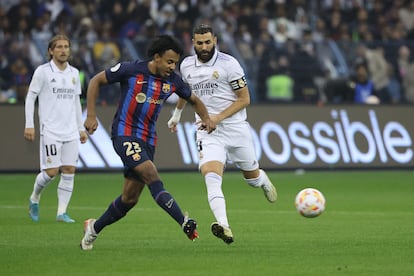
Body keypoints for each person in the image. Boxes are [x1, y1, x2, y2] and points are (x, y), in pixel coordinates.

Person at [80, 35, 216, 250]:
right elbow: (96, 81)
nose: (172, 67)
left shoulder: (173, 81)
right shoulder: (131, 69)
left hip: (148, 140)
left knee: (129, 199)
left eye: (176, 63)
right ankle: (183, 221)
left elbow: (194, 100)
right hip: (124, 134)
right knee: (151, 174)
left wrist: (207, 119)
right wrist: (91, 115)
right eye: (169, 62)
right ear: (156, 57)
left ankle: (93, 228)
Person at [167, 24, 277, 245]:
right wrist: (177, 115)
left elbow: (244, 99)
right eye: (200, 43)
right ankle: (224, 225)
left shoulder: (230, 64)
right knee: (211, 177)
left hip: (236, 129)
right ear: (193, 43)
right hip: (207, 131)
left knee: (252, 179)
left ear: (215, 40)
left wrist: (217, 118)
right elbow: (186, 92)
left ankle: (262, 180)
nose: (204, 47)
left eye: (208, 42)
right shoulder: (187, 65)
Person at [24, 34, 88, 223]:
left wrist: (80, 128)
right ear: (51, 51)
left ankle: (61, 213)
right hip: (50, 129)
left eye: (66, 47)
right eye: (58, 47)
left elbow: (76, 101)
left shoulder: (74, 73)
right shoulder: (43, 72)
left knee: (69, 169)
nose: (63, 50)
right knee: (51, 172)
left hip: (70, 131)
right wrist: (29, 124)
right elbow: (30, 97)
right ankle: (34, 198)